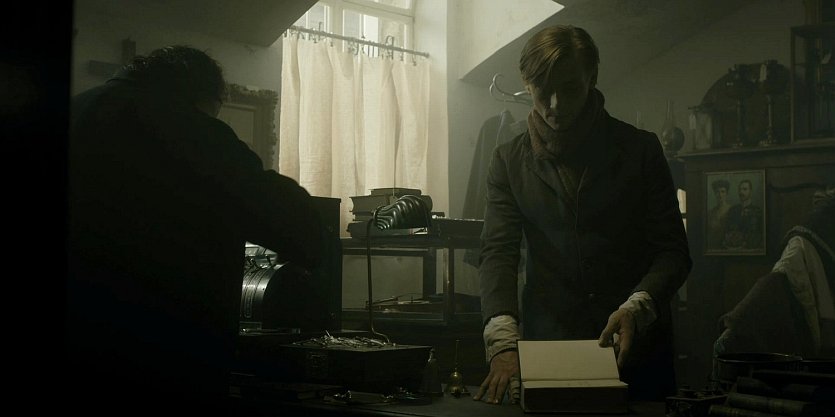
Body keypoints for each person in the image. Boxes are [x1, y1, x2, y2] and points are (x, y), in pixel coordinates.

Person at [66, 46, 324, 415]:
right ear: (204, 97)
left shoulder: (76, 110)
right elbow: (301, 230)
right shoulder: (191, 131)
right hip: (166, 351)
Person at [472, 25, 692, 405]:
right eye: (543, 90)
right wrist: (503, 343)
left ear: (592, 78)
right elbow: (497, 252)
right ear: (526, 84)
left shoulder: (640, 150)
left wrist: (636, 307)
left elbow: (673, 252)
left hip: (634, 353)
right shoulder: (507, 161)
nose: (555, 104)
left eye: (570, 88)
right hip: (549, 352)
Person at [723, 179, 763, 250]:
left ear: (750, 191)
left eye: (745, 189)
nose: (741, 192)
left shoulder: (758, 211)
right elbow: (727, 231)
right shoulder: (733, 210)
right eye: (740, 189)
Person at [707, 179, 731, 250]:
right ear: (715, 194)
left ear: (727, 193)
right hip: (714, 247)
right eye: (717, 192)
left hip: (729, 247)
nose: (720, 195)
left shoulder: (732, 210)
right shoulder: (711, 212)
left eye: (723, 192)